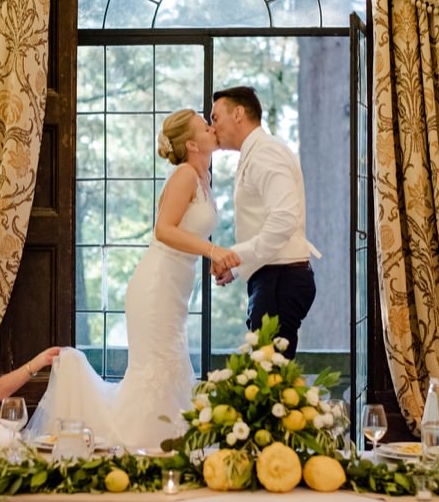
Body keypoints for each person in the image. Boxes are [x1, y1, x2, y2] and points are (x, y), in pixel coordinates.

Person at [27, 109, 240, 451]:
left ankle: (167, 444)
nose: (212, 127)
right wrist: (214, 251)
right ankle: (139, 446)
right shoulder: (185, 174)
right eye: (205, 125)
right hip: (155, 286)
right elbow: (164, 230)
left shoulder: (205, 179)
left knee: (171, 365)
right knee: (158, 367)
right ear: (191, 144)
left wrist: (214, 260)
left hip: (175, 289)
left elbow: (188, 233)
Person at [210, 85, 321, 360]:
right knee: (268, 379)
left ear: (238, 114)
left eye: (215, 118)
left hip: (281, 280)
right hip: (273, 277)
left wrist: (235, 256)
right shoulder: (256, 152)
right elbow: (262, 224)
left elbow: (284, 220)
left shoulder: (265, 153)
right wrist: (237, 269)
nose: (212, 127)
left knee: (267, 380)